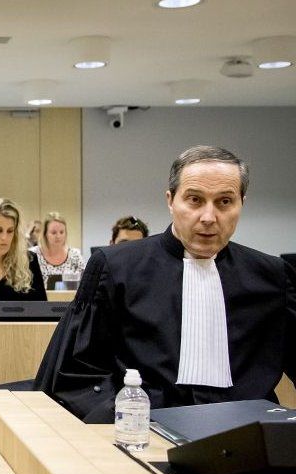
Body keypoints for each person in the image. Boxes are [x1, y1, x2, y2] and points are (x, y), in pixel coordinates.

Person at [35, 145, 296, 423]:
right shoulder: (116, 268)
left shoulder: (272, 276)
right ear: (171, 200)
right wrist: (124, 415)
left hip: (249, 436)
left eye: (224, 202)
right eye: (195, 200)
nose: (208, 217)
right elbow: (76, 371)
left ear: (241, 203)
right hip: (140, 428)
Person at [30, 212, 85, 286]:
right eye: (53, 233)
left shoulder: (75, 255)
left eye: (61, 232)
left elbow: (86, 284)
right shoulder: (33, 254)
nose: (58, 236)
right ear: (45, 234)